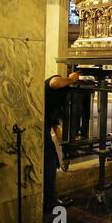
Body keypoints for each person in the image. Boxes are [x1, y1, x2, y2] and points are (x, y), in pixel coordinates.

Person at [44, 71, 80, 212]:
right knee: (49, 163)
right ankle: (50, 201)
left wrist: (66, 146)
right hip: (39, 129)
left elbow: (56, 126)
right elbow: (55, 82)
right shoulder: (56, 81)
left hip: (44, 129)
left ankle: (49, 198)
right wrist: (71, 79)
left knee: (51, 161)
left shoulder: (56, 102)